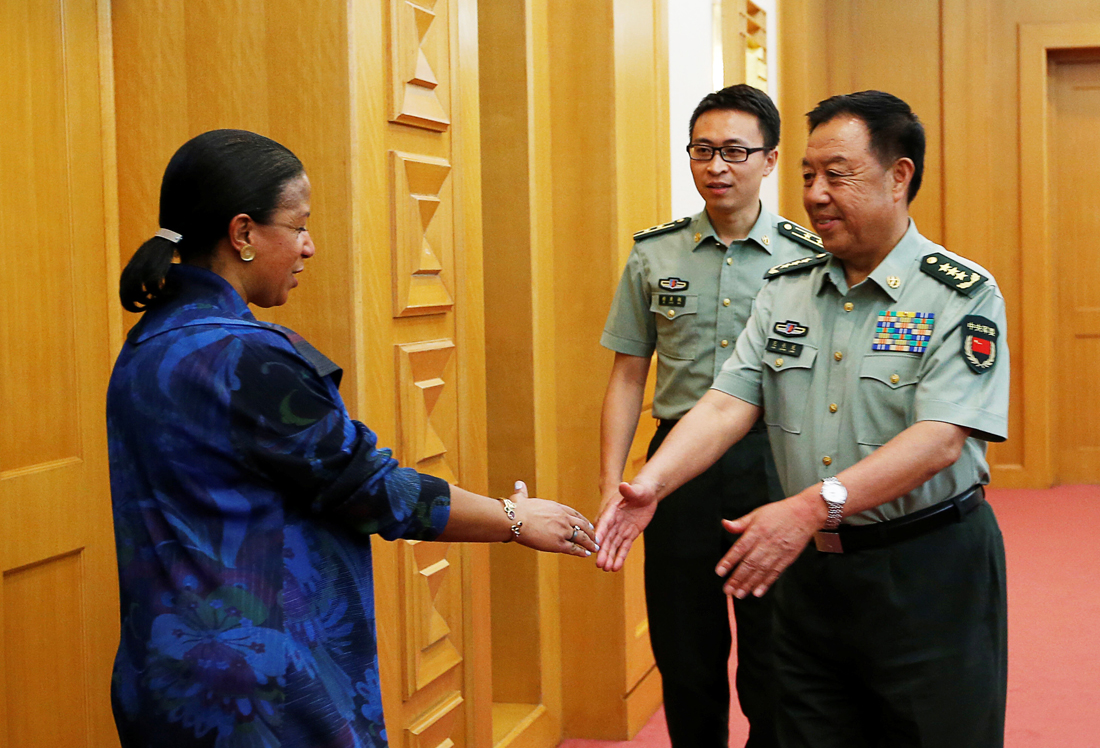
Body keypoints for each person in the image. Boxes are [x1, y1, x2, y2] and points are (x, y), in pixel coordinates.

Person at [107, 129, 597, 748]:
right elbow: (374, 489)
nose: (310, 247)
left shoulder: (148, 344)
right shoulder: (245, 359)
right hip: (263, 695)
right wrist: (514, 517)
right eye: (299, 225)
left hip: (165, 677)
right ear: (243, 234)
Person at [596, 91, 1008, 747]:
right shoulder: (787, 287)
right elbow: (729, 399)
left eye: (836, 174)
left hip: (925, 570)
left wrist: (813, 505)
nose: (816, 193)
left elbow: (939, 439)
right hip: (810, 575)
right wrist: (654, 480)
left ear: (899, 176)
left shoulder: (960, 292)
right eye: (809, 175)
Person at [598, 84, 823, 748]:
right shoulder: (654, 254)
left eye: (733, 151)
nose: (716, 166)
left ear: (771, 159)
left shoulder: (808, 257)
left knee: (773, 649)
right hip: (676, 469)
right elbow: (628, 374)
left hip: (775, 461)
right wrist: (614, 480)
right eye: (702, 151)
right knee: (684, 646)